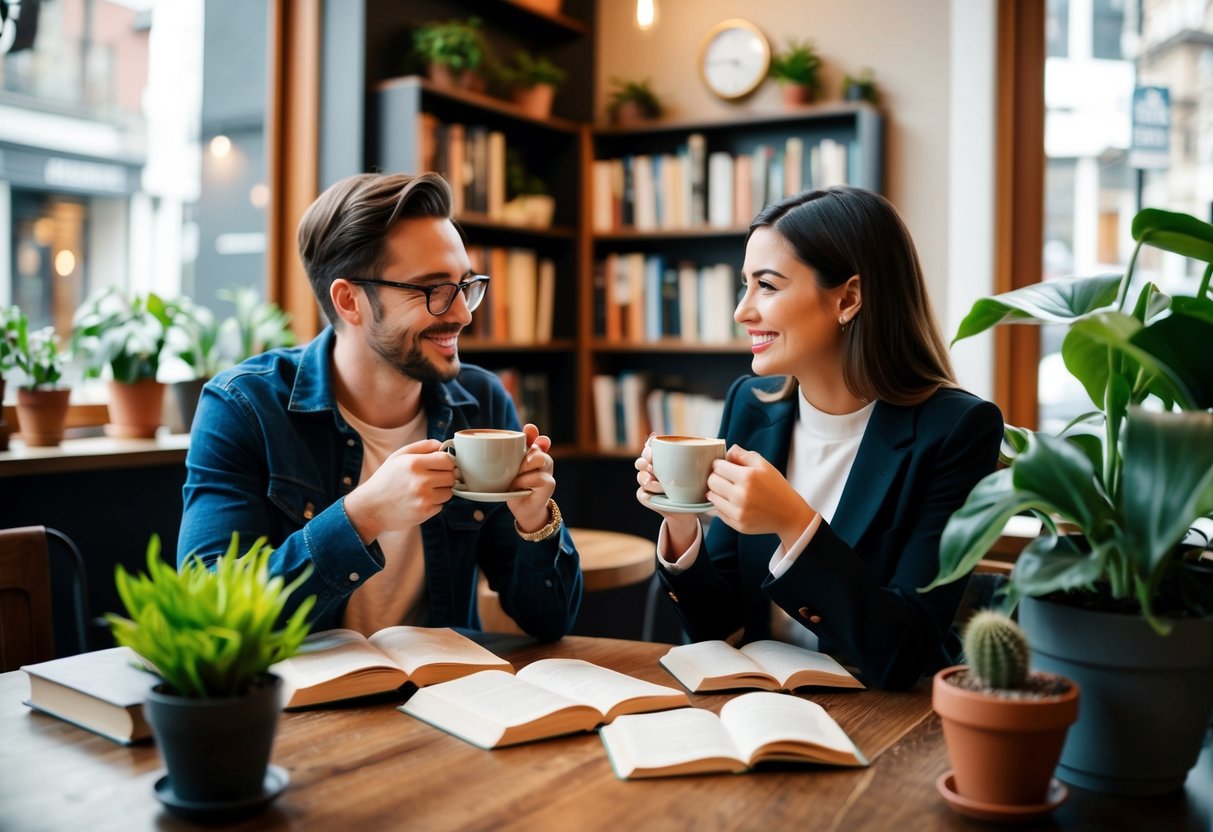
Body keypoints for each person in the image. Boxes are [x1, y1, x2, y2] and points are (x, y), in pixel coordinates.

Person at [180, 172, 581, 640]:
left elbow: (549, 621)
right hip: (304, 706)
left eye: (465, 285)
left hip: (448, 698)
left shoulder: (482, 403)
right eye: (433, 290)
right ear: (350, 300)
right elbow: (207, 613)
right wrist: (361, 515)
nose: (462, 313)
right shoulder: (244, 407)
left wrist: (535, 521)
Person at [635, 187, 1003, 690]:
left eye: (766, 286)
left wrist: (793, 522)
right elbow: (717, 627)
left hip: (883, 716)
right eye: (744, 286)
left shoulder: (957, 431)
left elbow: (905, 651)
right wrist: (681, 520)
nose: (742, 312)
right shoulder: (752, 402)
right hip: (759, 704)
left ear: (848, 297)